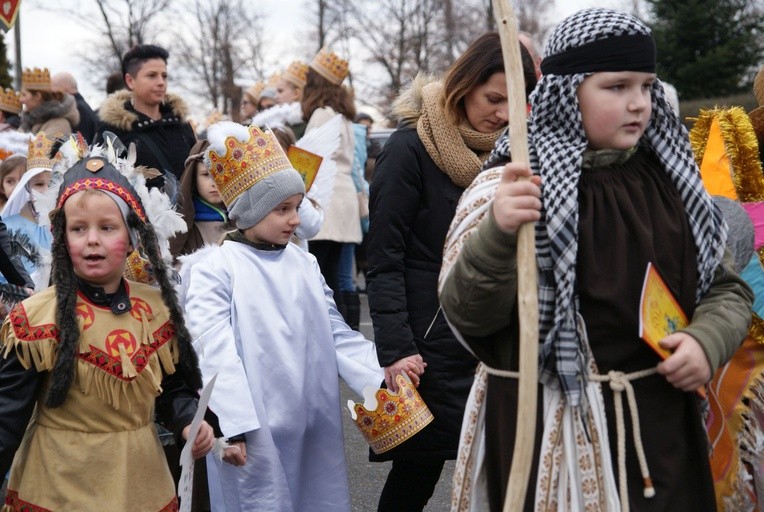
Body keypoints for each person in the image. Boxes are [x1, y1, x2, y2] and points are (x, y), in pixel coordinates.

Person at [438, 8, 753, 512]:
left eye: (647, 86)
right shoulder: (509, 188)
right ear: (568, 90)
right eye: (616, 86)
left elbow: (727, 289)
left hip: (659, 430)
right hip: (547, 433)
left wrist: (705, 339)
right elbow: (469, 316)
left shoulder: (674, 186)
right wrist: (498, 234)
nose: (638, 103)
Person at [365, 32, 536, 511]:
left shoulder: (511, 155)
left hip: (494, 337)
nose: (502, 114)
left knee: (499, 467)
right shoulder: (408, 149)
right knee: (418, 468)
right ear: (464, 85)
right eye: (493, 98)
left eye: (514, 102)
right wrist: (397, 349)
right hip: (428, 345)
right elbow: (384, 259)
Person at [0, 136, 216, 511]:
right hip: (58, 486)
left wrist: (188, 422)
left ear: (133, 238)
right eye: (78, 229)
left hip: (139, 483)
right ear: (62, 239)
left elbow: (171, 387)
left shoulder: (156, 310)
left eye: (107, 227)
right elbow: (6, 416)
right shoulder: (37, 319)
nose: (92, 241)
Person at [179, 121, 383, 512]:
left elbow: (334, 332)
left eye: (297, 207)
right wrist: (232, 424)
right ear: (249, 211)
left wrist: (379, 374)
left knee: (314, 498)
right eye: (282, 209)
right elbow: (213, 349)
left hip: (312, 418)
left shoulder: (303, 263)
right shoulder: (216, 268)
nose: (295, 219)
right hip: (256, 428)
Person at [302, 47, 360, 320]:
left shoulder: (322, 115)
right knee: (342, 277)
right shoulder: (343, 116)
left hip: (327, 199)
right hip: (345, 200)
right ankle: (351, 334)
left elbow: (310, 159)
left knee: (323, 275)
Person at [96, 44, 197, 191]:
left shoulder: (181, 127)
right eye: (152, 75)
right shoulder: (112, 132)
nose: (161, 82)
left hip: (188, 213)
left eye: (164, 76)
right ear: (130, 81)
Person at [169, 139, 229, 261]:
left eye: (220, 173)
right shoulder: (179, 228)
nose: (214, 183)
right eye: (206, 174)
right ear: (193, 178)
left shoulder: (242, 220)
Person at [18, 67, 79, 137]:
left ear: (38, 96)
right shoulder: (28, 121)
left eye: (24, 95)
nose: (20, 99)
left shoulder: (59, 124)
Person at [51, 71, 99, 143]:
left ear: (64, 86)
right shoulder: (82, 105)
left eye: (53, 86)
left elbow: (80, 146)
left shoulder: (76, 109)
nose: (51, 91)